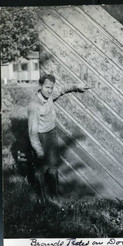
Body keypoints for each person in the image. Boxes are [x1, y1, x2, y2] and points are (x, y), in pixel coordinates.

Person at [28, 74, 91, 202]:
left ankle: (54, 194)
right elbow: (32, 132)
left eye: (51, 87)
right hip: (41, 137)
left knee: (53, 164)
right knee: (42, 166)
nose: (49, 90)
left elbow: (62, 89)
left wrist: (77, 86)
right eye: (47, 87)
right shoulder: (34, 106)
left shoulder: (50, 95)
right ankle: (41, 198)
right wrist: (38, 149)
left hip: (51, 133)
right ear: (40, 86)